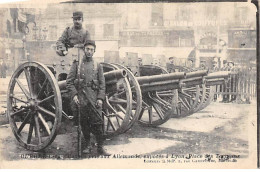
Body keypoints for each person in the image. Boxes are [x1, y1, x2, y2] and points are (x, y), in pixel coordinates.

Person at [66, 40, 109, 155]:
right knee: (84, 123)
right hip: (82, 98)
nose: (89, 52)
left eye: (91, 49)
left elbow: (102, 84)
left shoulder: (97, 65)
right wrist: (74, 95)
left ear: (94, 51)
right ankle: (88, 145)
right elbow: (69, 82)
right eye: (87, 49)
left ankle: (100, 147)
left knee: (98, 123)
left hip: (94, 99)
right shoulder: (77, 64)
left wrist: (100, 98)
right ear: (84, 50)